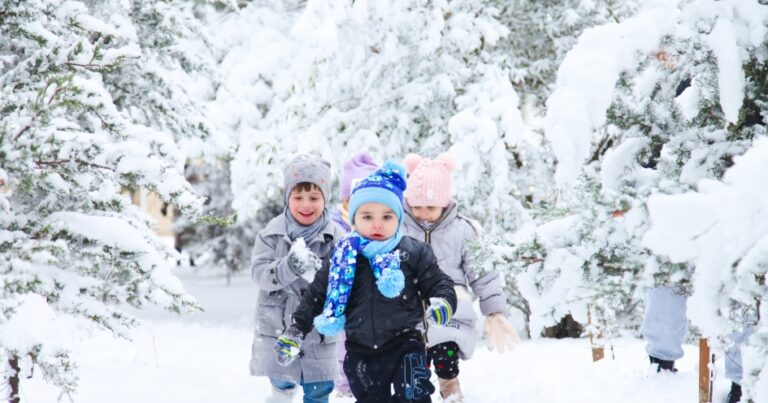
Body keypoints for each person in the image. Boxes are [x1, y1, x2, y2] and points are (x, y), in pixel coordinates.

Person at [275, 161, 458, 402]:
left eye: (387, 216)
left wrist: (443, 302)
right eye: (367, 216)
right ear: (354, 218)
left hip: (405, 343)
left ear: (398, 218)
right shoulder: (342, 257)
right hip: (361, 350)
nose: (378, 223)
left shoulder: (413, 253)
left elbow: (438, 283)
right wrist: (296, 329)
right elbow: (315, 297)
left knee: (414, 395)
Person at [401, 153, 519, 401]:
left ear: (445, 203)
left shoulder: (463, 230)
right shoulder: (399, 227)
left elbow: (482, 272)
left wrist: (493, 310)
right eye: (417, 206)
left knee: (446, 354)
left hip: (450, 310)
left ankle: (451, 389)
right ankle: (416, 394)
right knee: (414, 362)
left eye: (430, 207)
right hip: (409, 311)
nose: (423, 214)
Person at [249, 154, 344, 403]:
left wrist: (322, 273)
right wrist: (289, 265)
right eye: (298, 197)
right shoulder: (272, 234)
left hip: (317, 332)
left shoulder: (337, 238)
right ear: (287, 198)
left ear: (325, 198)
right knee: (282, 382)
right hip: (278, 325)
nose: (306, 204)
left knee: (319, 386)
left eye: (314, 198)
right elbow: (260, 274)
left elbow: (344, 279)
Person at [329, 151, 379, 397]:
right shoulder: (334, 227)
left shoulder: (382, 227)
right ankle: (344, 387)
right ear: (345, 201)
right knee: (342, 345)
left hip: (374, 303)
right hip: (343, 299)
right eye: (353, 198)